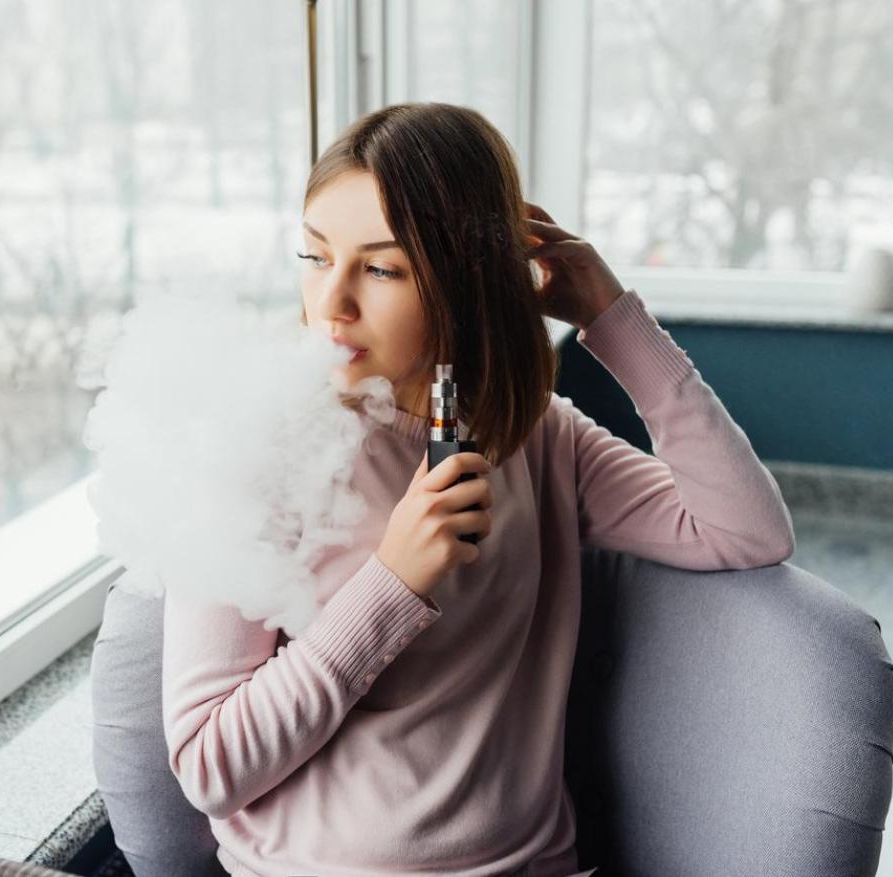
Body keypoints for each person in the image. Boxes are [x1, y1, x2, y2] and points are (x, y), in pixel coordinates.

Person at [160, 102, 795, 877]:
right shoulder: (257, 447)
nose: (333, 302)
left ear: (466, 280)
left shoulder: (537, 438)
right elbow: (207, 765)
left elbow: (746, 530)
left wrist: (613, 317)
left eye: (382, 267)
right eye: (317, 256)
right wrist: (392, 582)